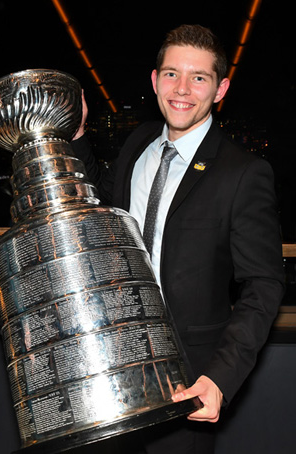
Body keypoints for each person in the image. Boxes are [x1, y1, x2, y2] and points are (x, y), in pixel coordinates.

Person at [71, 24, 285, 454]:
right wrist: (76, 136)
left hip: (189, 380)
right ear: (154, 80)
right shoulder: (138, 143)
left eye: (199, 78)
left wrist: (220, 379)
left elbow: (263, 285)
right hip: (113, 363)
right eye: (171, 74)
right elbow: (102, 204)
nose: (182, 89)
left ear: (220, 89)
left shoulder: (243, 173)